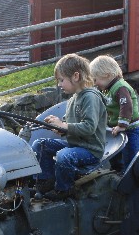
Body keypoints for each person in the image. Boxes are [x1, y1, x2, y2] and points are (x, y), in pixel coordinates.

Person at [32, 54, 107, 201]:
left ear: (76, 76)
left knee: (64, 155)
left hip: (90, 149)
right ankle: (46, 181)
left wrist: (64, 126)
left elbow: (89, 127)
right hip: (75, 144)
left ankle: (64, 189)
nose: (59, 84)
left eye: (61, 80)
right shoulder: (74, 98)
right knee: (40, 145)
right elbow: (68, 123)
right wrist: (59, 126)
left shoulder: (90, 97)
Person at [90, 55, 139, 173]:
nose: (95, 83)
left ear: (107, 75)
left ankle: (132, 175)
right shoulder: (107, 89)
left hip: (131, 128)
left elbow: (126, 107)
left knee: (131, 154)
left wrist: (121, 125)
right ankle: (119, 172)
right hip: (117, 128)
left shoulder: (120, 87)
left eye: (95, 80)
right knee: (114, 153)